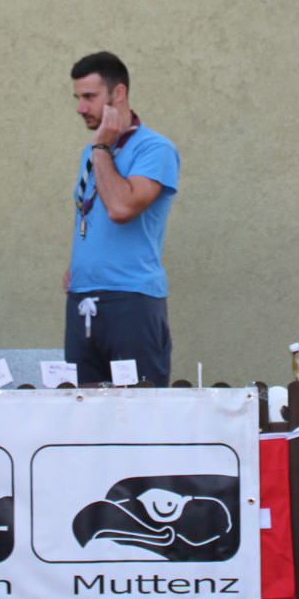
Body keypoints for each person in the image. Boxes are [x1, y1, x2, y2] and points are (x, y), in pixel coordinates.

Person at [66, 52, 179, 386]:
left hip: (131, 299)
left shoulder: (154, 148)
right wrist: (81, 265)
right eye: (77, 98)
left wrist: (102, 148)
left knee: (137, 406)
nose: (80, 108)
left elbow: (120, 208)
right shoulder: (93, 150)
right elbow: (91, 211)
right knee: (82, 404)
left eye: (89, 96)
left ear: (118, 93)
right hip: (83, 296)